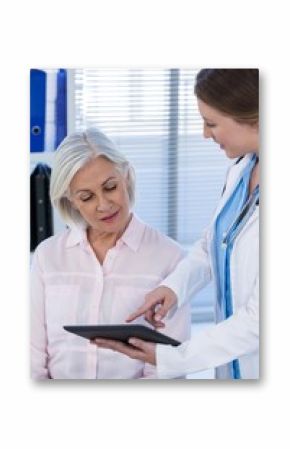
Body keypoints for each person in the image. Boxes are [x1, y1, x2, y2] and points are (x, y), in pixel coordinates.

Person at [92, 69, 260, 380]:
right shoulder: (241, 171)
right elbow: (213, 247)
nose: (204, 134)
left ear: (256, 119)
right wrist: (173, 287)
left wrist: (173, 358)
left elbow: (258, 321)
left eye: (211, 123)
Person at [30, 128, 191, 379]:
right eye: (87, 197)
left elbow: (167, 366)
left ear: (126, 176)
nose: (103, 205)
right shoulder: (47, 257)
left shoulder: (169, 258)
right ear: (71, 200)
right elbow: (31, 355)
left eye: (110, 187)